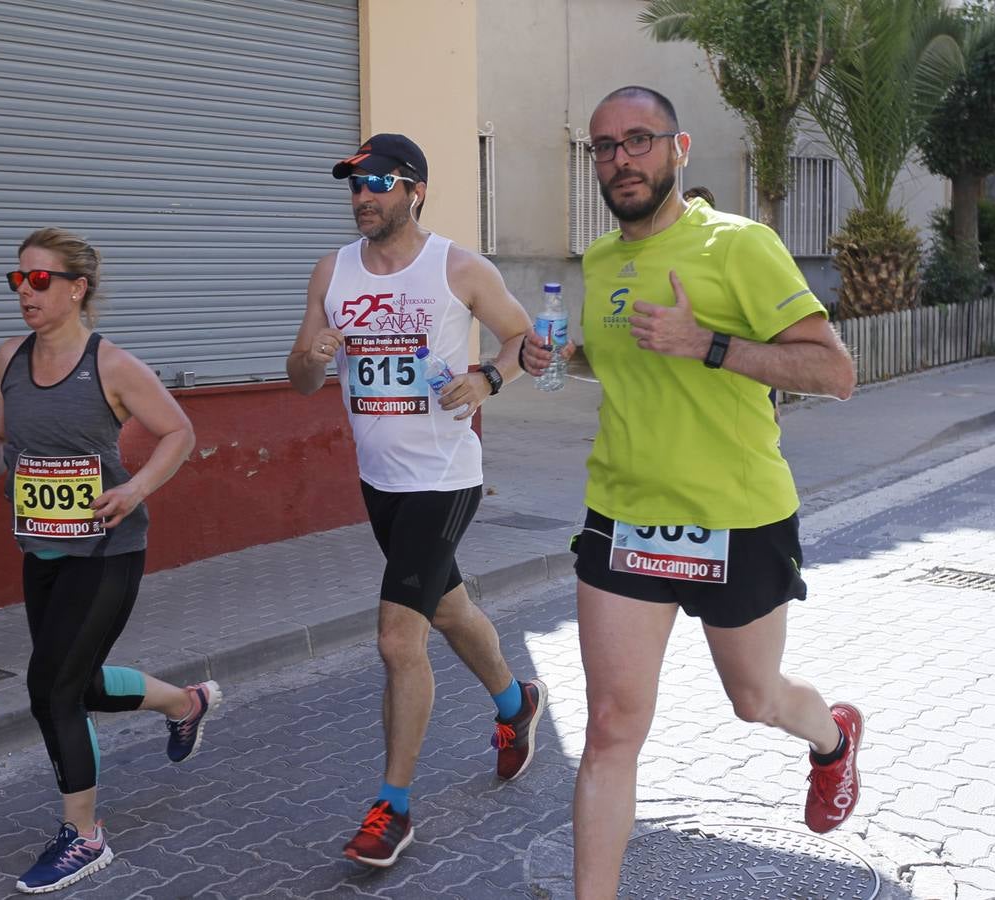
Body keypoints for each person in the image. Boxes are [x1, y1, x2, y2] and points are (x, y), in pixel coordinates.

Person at [524, 87, 861, 897]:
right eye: (603, 147)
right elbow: (616, 362)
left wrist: (707, 343)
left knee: (754, 700)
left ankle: (830, 737)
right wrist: (557, 359)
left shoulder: (739, 246)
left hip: (735, 518)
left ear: (678, 151)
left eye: (637, 140)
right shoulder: (601, 261)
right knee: (608, 729)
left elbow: (833, 373)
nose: (619, 159)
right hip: (625, 516)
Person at [287, 133, 549, 868]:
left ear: (413, 189)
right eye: (353, 184)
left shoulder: (457, 267)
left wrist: (490, 380)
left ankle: (391, 809)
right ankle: (514, 704)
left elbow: (526, 343)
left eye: (375, 182)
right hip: (380, 481)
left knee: (398, 639)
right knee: (447, 607)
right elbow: (303, 376)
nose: (361, 196)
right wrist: (308, 359)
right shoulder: (331, 271)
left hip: (442, 478)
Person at [0, 227, 219, 894]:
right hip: (41, 546)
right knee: (82, 683)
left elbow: (178, 431)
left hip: (107, 550)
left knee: (50, 687)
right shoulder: (10, 354)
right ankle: (186, 702)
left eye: (40, 280)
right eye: (17, 279)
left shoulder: (110, 365)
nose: (25, 291)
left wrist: (132, 488)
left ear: (77, 288)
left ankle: (84, 837)